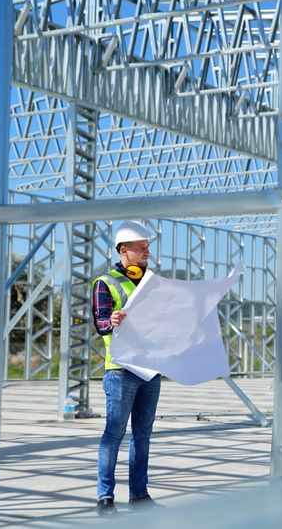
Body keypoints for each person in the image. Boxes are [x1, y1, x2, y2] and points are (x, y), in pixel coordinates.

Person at [91, 221, 162, 516]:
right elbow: (100, 322)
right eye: (141, 247)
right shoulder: (105, 283)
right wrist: (113, 322)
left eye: (148, 247)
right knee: (114, 434)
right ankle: (105, 497)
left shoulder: (153, 282)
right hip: (120, 370)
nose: (147, 252)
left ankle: (139, 495)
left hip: (151, 370)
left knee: (142, 435)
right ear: (124, 250)